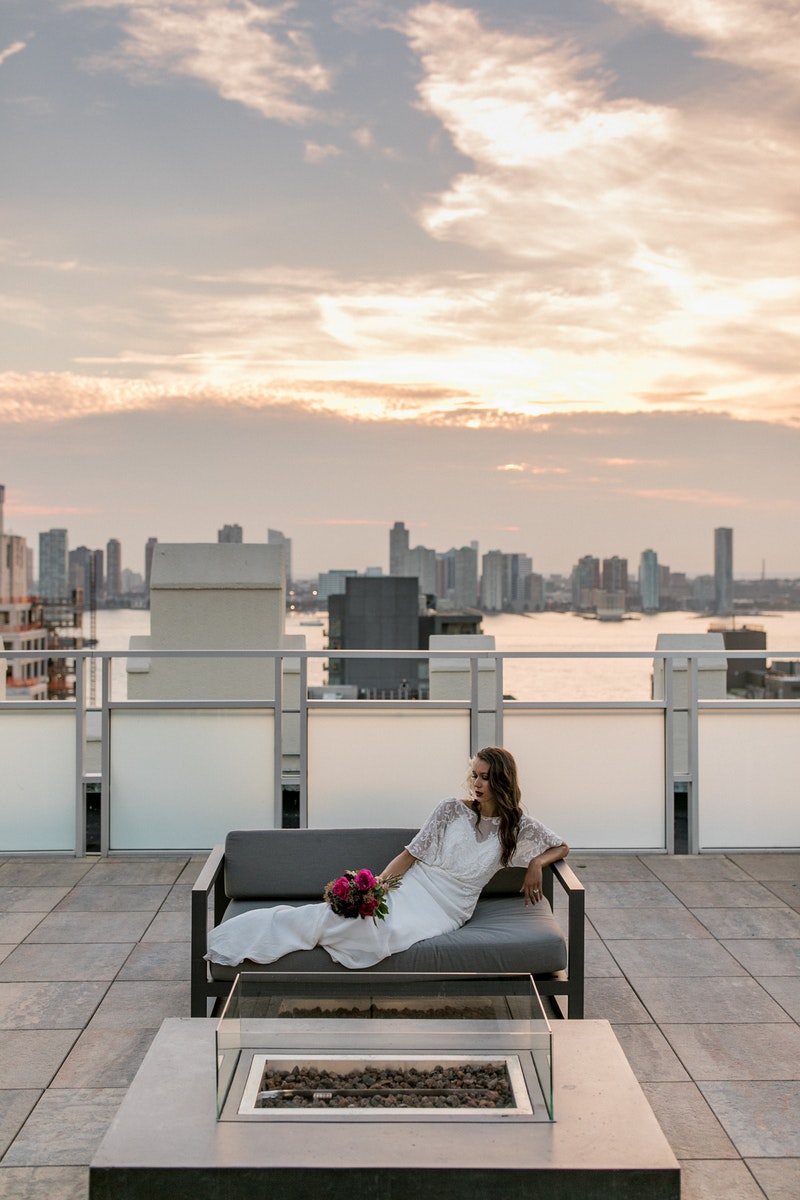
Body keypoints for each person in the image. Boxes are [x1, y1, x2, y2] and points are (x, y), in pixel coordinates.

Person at [205, 746, 569, 971]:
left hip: (451, 907)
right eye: (474, 775)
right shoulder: (450, 810)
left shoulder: (517, 826)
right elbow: (410, 855)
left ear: (501, 781)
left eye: (485, 777)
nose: (476, 783)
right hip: (417, 886)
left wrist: (536, 863)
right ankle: (262, 934)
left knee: (388, 933)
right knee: (350, 917)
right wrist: (377, 888)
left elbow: (561, 846)